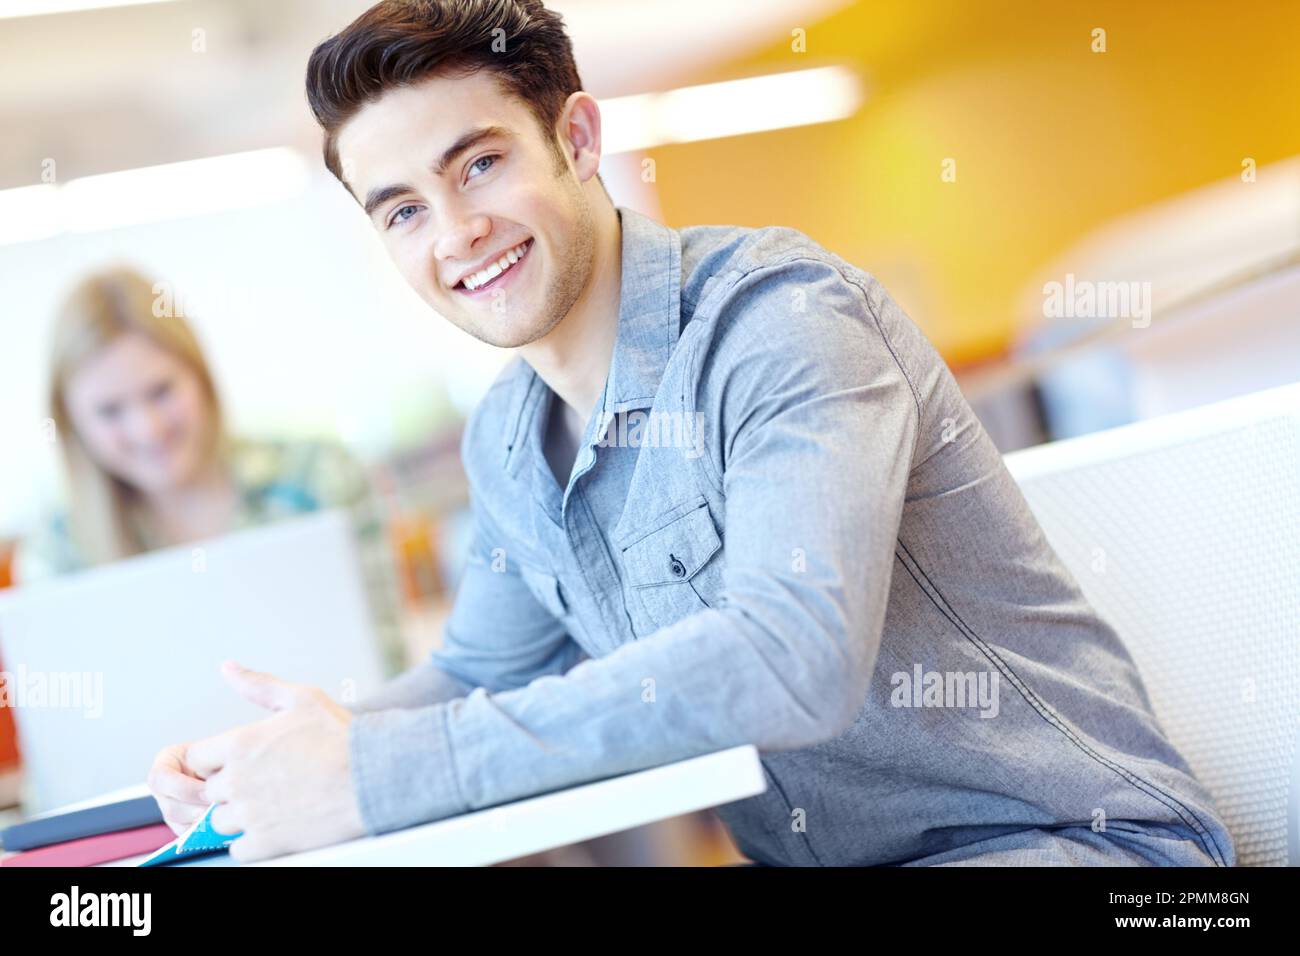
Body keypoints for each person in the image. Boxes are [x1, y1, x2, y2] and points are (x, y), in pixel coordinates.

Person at [148, 0, 1236, 867]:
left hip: (1068, 844)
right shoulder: (510, 442)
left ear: (576, 137)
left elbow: (790, 656)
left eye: (478, 163)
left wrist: (374, 772)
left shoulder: (781, 322)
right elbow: (475, 673)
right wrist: (282, 758)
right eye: (402, 209)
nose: (456, 231)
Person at [17, 265, 406, 678]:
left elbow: (385, 666)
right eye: (110, 411)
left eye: (160, 391)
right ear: (73, 423)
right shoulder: (57, 553)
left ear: (200, 377)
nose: (147, 429)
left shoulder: (320, 476)